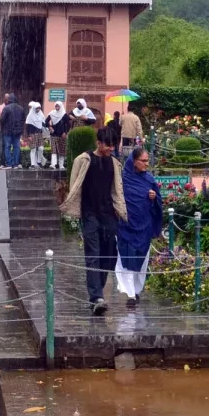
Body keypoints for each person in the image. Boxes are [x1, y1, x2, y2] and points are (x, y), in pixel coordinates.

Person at [60, 132, 127, 315]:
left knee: (108, 256)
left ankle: (98, 290)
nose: (111, 149)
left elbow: (117, 189)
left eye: (113, 145)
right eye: (107, 145)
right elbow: (74, 185)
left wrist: (120, 209)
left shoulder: (114, 163)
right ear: (98, 143)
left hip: (109, 215)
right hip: (89, 215)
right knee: (93, 255)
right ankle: (96, 297)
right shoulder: (84, 160)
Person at [116, 146, 164, 310]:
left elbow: (158, 202)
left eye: (147, 161)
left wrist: (153, 197)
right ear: (134, 162)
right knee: (127, 259)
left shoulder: (149, 179)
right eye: (143, 161)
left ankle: (136, 290)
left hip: (144, 227)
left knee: (141, 261)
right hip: (126, 226)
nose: (146, 164)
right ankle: (129, 294)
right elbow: (115, 198)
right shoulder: (122, 179)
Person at [0, 93, 25, 168]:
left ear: (9, 100)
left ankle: (9, 164)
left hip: (7, 132)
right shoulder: (21, 108)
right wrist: (20, 130)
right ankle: (15, 164)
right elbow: (23, 120)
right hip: (17, 132)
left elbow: (2, 120)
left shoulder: (6, 108)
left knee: (7, 147)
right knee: (16, 147)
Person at [46, 101, 71, 169]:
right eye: (56, 106)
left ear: (61, 106)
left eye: (58, 106)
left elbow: (68, 125)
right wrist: (49, 126)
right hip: (53, 134)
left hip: (62, 135)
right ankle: (53, 165)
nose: (57, 107)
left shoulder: (64, 114)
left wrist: (65, 132)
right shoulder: (52, 113)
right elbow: (45, 122)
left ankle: (61, 165)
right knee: (54, 150)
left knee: (61, 150)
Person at [23, 100, 47, 168]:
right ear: (34, 108)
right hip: (33, 134)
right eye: (37, 108)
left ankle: (39, 161)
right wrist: (29, 135)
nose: (38, 109)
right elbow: (27, 127)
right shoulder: (30, 116)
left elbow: (44, 124)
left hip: (40, 134)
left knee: (41, 148)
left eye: (39, 108)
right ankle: (32, 164)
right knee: (33, 149)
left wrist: (46, 132)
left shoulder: (41, 115)